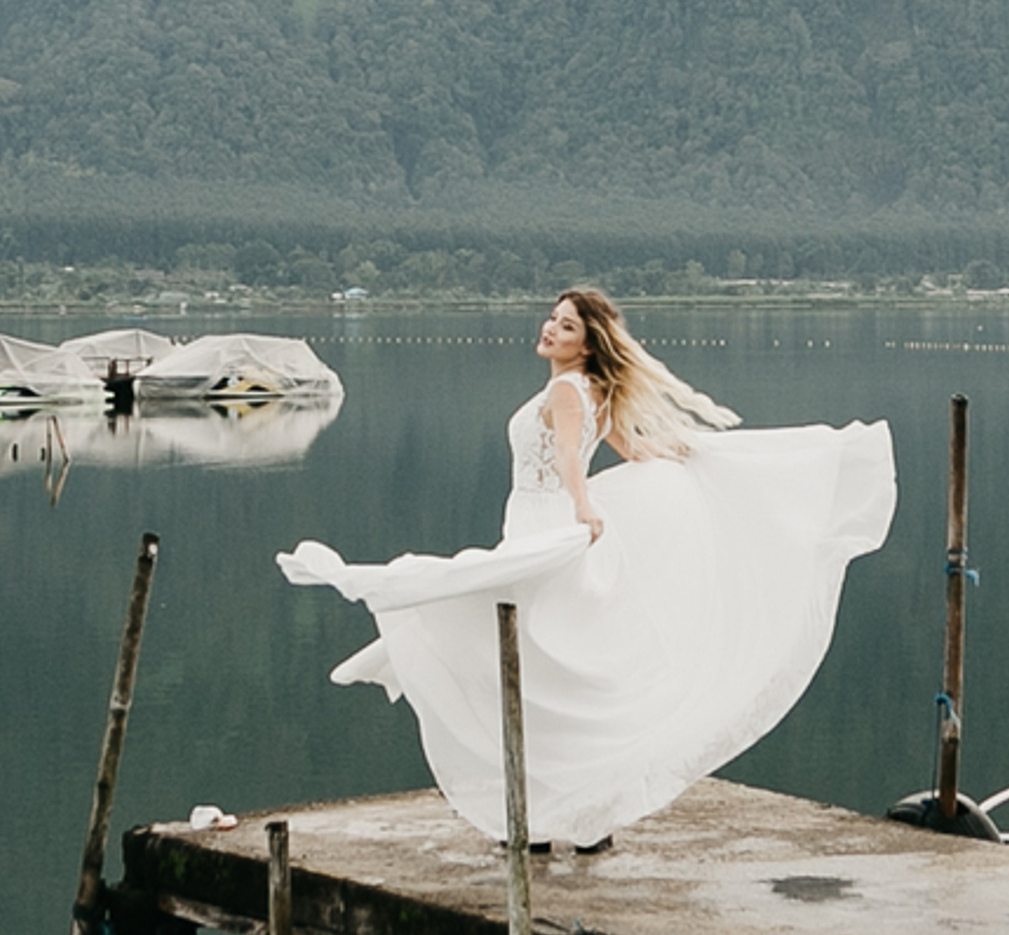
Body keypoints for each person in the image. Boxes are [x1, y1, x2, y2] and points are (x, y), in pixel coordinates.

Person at [278, 289, 896, 848]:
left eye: (566, 326)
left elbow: (573, 456)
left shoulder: (566, 390)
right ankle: (573, 813)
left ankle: (557, 814)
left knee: (530, 663)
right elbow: (628, 449)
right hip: (538, 523)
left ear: (586, 343)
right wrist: (677, 460)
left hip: (547, 524)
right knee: (547, 672)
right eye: (552, 319)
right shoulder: (591, 391)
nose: (550, 329)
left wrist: (582, 507)